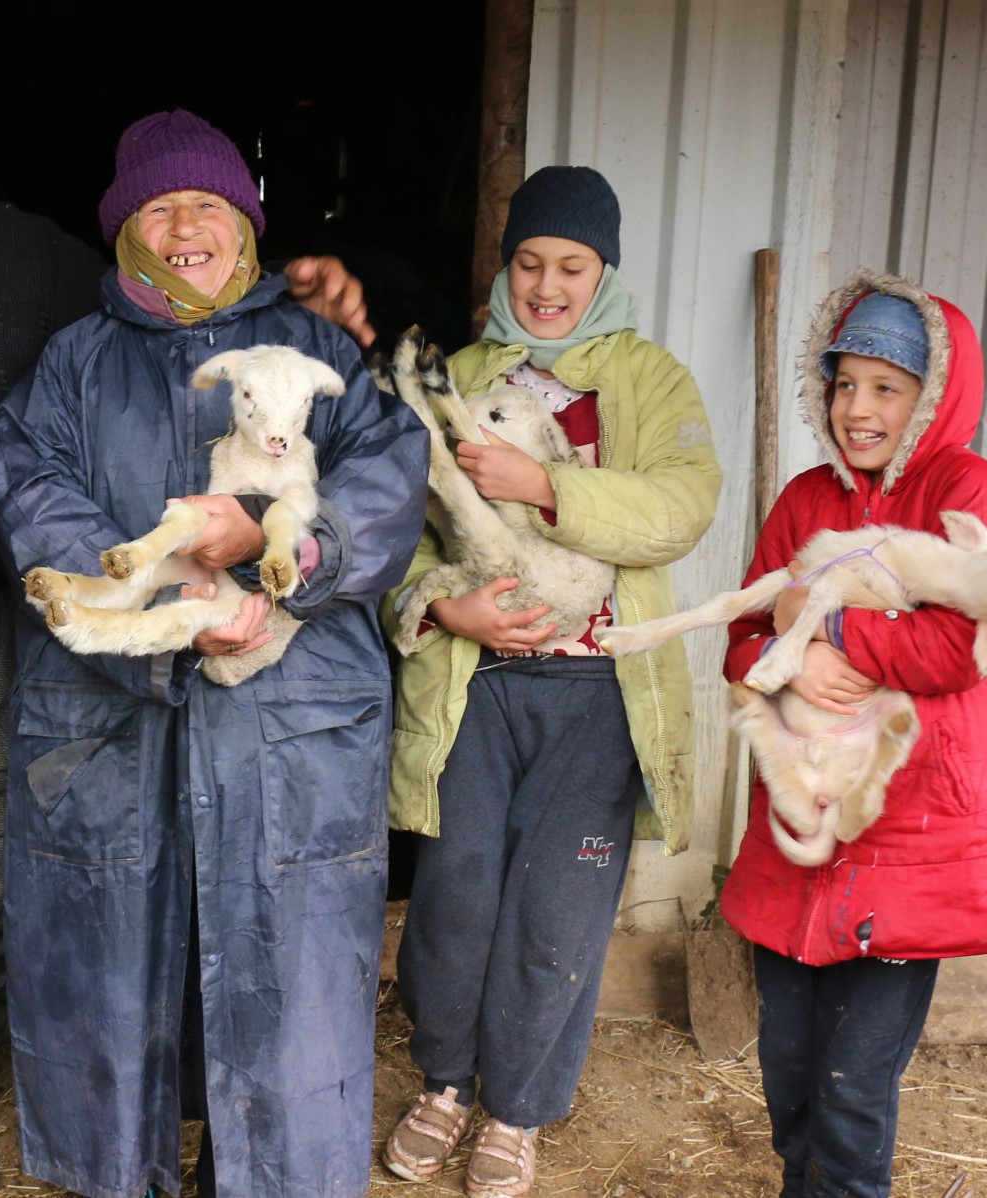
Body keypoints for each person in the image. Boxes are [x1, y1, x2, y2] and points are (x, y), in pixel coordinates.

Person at [0, 25, 375, 1198]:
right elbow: (30, 468)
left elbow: (338, 425)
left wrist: (341, 287)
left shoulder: (28, 254)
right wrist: (153, 585)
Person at [0, 110, 426, 1198]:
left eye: (210, 207)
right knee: (109, 971)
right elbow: (26, 492)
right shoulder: (72, 363)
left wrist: (282, 555)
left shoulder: (320, 351)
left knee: (286, 975)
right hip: (114, 709)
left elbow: (390, 482)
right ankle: (113, 1173)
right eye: (160, 207)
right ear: (125, 231)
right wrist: (171, 585)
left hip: (287, 709)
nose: (187, 228)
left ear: (247, 226)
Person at [378, 165, 721, 1198]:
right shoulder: (461, 369)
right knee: (455, 894)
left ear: (602, 270)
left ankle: (517, 1107)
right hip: (478, 682)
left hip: (596, 694)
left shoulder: (651, 379)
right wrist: (441, 608)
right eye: (529, 262)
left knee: (557, 911)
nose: (546, 285)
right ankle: (443, 1083)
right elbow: (399, 519)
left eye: (570, 266)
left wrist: (542, 483)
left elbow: (682, 504)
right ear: (505, 264)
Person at [719, 272, 987, 1198]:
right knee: (787, 1071)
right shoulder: (806, 500)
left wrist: (826, 627)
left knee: (853, 1091)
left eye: (886, 388)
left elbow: (963, 645)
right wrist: (778, 651)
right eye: (844, 383)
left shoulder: (968, 494)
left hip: (908, 832)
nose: (858, 408)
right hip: (802, 826)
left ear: (931, 397)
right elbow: (742, 633)